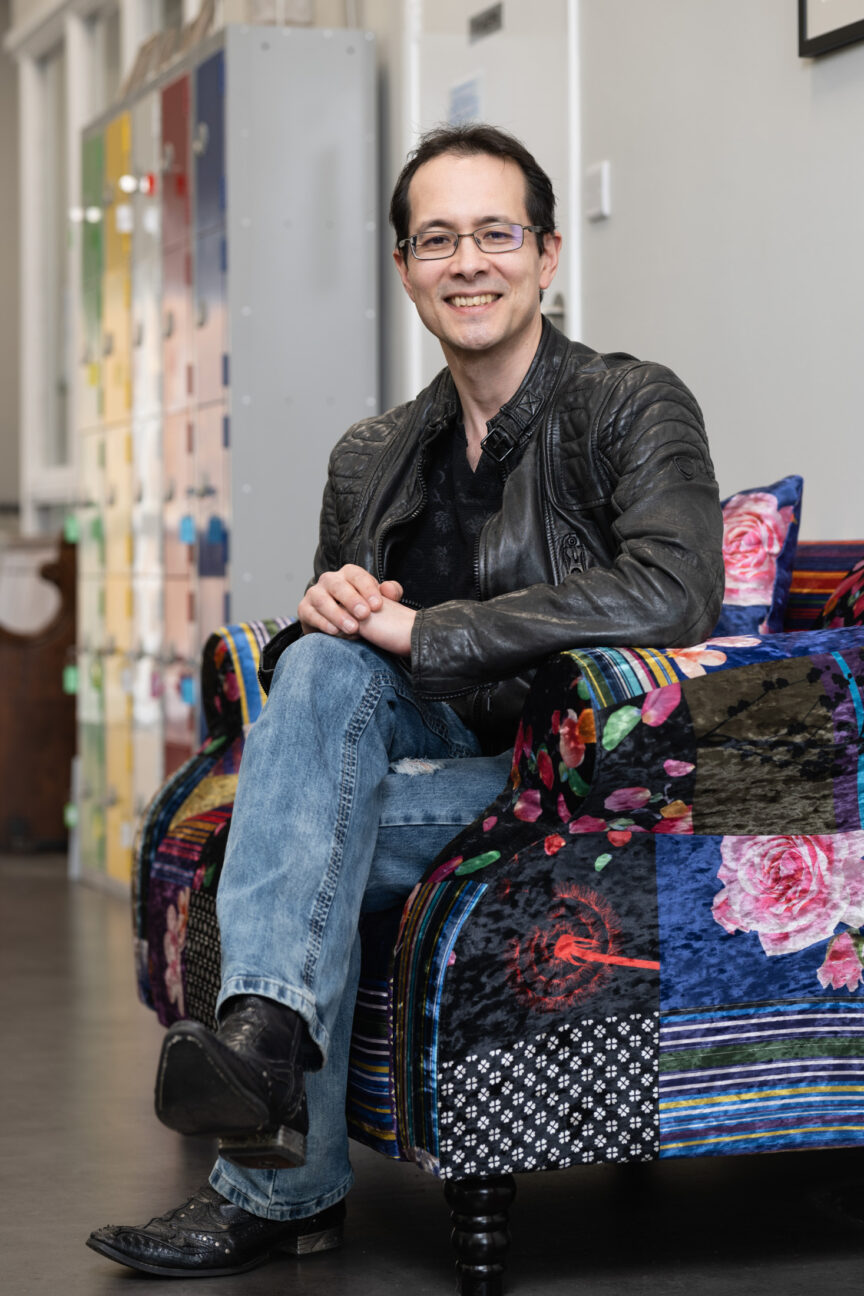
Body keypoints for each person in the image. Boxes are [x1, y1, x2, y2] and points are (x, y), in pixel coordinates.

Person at [87, 123, 724, 1278]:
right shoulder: (373, 452)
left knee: (278, 849)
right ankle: (266, 1042)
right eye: (438, 239)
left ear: (545, 255)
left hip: (562, 775)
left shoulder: (631, 405)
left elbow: (676, 590)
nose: (467, 262)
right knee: (321, 668)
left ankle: (277, 1180)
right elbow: (345, 671)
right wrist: (330, 609)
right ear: (405, 268)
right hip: (420, 759)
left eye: (494, 234)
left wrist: (429, 630)